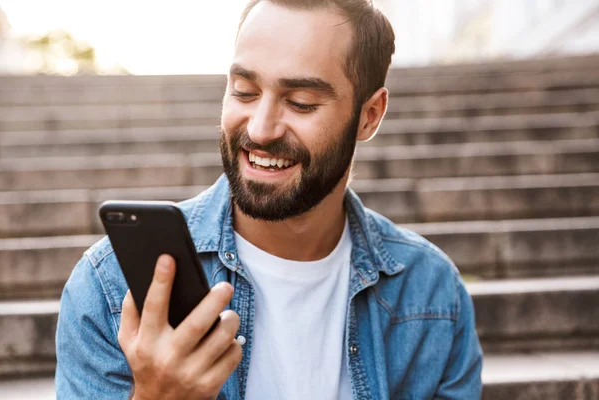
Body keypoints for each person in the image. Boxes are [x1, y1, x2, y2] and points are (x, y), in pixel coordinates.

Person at [55, 0, 483, 399]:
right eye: (244, 91)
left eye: (301, 102)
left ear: (369, 116)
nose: (260, 130)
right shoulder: (108, 286)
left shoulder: (430, 295)